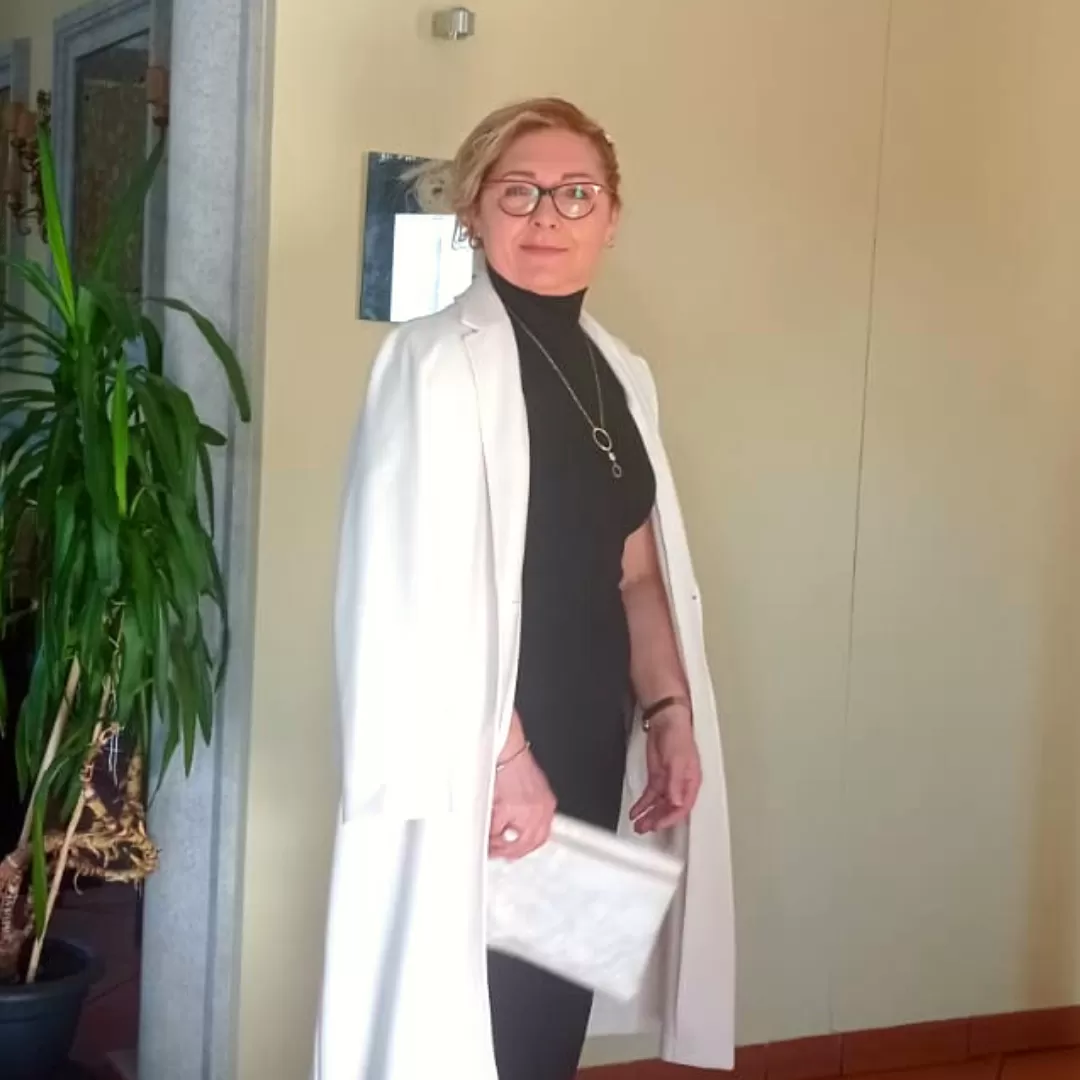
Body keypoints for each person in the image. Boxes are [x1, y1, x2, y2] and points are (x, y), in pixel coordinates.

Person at [313, 98, 735, 1080]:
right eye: (519, 192)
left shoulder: (621, 372)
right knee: (470, 1021)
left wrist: (669, 714)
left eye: (575, 193)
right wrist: (504, 754)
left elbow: (635, 570)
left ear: (611, 215)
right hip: (479, 753)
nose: (548, 215)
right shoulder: (430, 361)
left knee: (549, 1017)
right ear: (474, 210)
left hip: (589, 740)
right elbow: (406, 586)